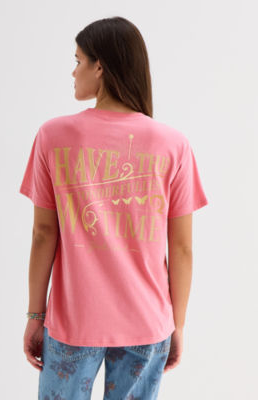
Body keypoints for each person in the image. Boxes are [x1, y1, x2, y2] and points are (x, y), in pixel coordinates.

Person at [19, 16, 208, 400]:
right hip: (147, 320)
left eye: (78, 60)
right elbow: (182, 247)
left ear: (100, 66)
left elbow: (43, 234)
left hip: (74, 321)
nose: (73, 72)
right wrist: (178, 324)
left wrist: (36, 316)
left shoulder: (54, 136)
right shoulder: (173, 145)